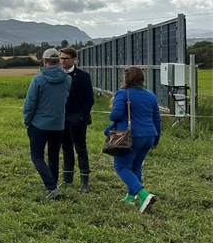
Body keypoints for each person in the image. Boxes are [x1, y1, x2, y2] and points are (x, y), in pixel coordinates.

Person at [105, 66, 161, 213]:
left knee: (121, 166)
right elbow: (157, 119)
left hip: (130, 136)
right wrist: (156, 139)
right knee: (136, 166)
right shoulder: (150, 95)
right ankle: (130, 197)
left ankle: (143, 194)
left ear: (126, 78)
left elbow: (115, 116)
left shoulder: (123, 93)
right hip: (149, 135)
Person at [23, 48, 72, 199]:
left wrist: (27, 120)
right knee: (53, 156)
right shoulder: (68, 79)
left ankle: (51, 187)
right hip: (58, 125)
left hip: (39, 125)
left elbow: (30, 103)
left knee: (37, 156)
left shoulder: (38, 80)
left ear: (44, 61)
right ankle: (53, 183)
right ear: (58, 61)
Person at [59, 47, 94, 192]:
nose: (63, 61)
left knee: (80, 148)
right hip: (61, 118)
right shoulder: (58, 75)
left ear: (74, 59)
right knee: (66, 148)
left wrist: (81, 117)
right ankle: (67, 179)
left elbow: (89, 99)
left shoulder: (82, 76)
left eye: (66, 59)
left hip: (77, 118)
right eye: (61, 58)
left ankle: (84, 181)